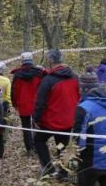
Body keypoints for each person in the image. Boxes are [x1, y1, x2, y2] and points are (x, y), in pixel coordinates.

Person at [33, 49, 80, 179]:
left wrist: (36, 119)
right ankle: (63, 172)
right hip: (68, 120)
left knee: (38, 140)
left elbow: (40, 102)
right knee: (62, 145)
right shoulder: (75, 77)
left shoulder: (48, 80)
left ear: (50, 60)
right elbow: (79, 97)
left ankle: (49, 168)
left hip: (51, 121)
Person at [11, 52, 44, 155]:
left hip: (23, 104)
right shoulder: (39, 73)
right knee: (37, 126)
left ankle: (29, 149)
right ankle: (38, 146)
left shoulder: (17, 75)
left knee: (26, 127)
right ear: (32, 59)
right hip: (37, 104)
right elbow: (43, 89)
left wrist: (15, 103)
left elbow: (14, 91)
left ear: (22, 60)